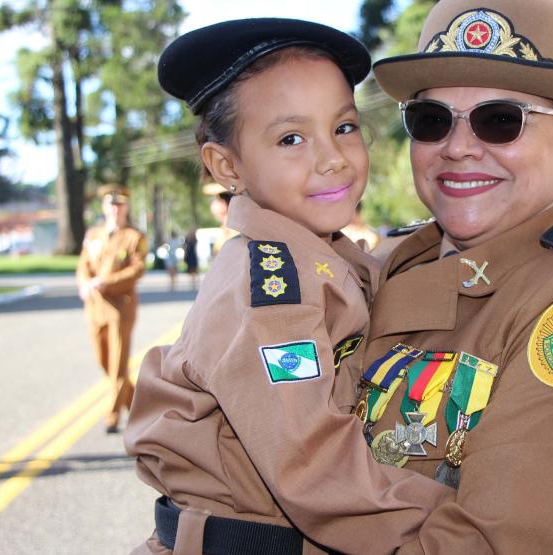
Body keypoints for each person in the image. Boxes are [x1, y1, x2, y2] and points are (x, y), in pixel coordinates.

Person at [332, 0, 553, 553]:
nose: (458, 147)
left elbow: (495, 542)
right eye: (431, 121)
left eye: (501, 120)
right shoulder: (393, 258)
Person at [123, 18, 452, 555]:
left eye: (344, 127)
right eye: (291, 138)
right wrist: (467, 523)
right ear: (227, 165)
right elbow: (314, 466)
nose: (332, 158)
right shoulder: (272, 288)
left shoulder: (323, 253)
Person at [76, 185, 147, 433]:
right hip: (95, 308)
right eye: (111, 205)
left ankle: (113, 415)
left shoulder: (134, 237)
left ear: (126, 208)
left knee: (118, 365)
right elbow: (83, 265)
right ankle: (140, 407)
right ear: (105, 208)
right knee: (104, 362)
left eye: (120, 205)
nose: (115, 210)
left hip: (120, 308)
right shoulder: (94, 235)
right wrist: (84, 284)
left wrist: (107, 283)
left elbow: (137, 269)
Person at [202, 182, 240, 259]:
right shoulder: (226, 229)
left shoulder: (235, 231)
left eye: (216, 199)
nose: (212, 205)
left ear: (223, 203)